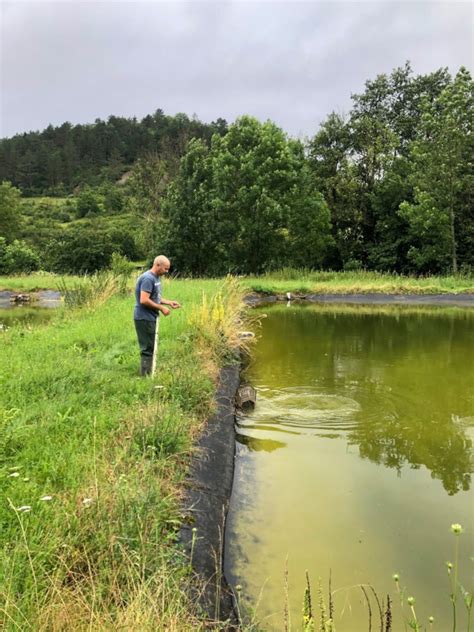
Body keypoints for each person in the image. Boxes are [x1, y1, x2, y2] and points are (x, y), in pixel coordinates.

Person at [133, 255, 180, 376]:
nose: (167, 271)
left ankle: (150, 372)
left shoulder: (156, 278)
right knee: (147, 348)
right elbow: (144, 300)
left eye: (168, 269)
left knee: (152, 346)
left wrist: (168, 303)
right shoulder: (148, 278)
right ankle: (146, 376)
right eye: (165, 268)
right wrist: (161, 308)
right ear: (157, 265)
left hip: (151, 317)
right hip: (144, 317)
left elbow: (154, 298)